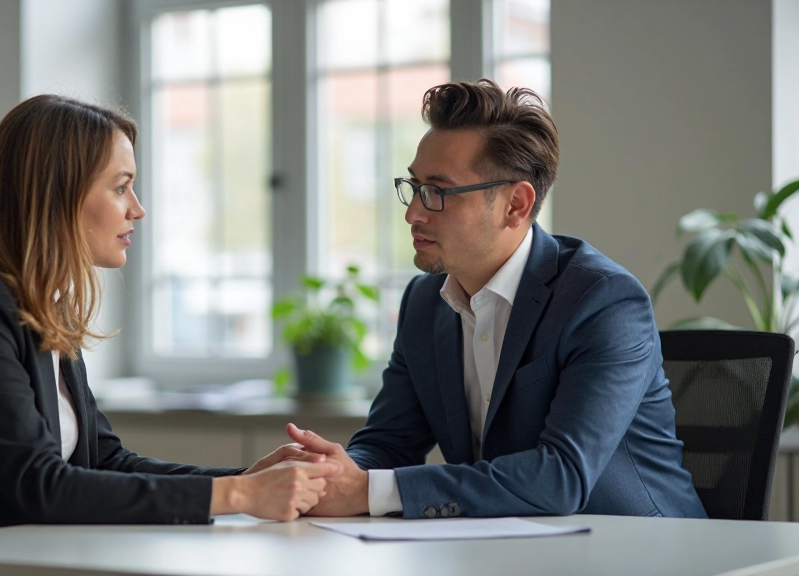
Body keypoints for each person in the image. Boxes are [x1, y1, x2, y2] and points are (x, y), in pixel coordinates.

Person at [0, 95, 337, 541]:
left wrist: (244, 481)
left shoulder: (42, 303)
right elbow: (39, 485)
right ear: (58, 193)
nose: (138, 210)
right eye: (121, 188)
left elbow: (104, 461)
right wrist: (241, 498)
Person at [285, 79, 706, 519]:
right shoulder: (424, 302)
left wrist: (370, 491)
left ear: (515, 205)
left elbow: (560, 477)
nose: (413, 212)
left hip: (642, 552)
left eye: (438, 192)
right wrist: (327, 474)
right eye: (413, 186)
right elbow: (388, 443)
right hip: (507, 549)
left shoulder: (603, 302)